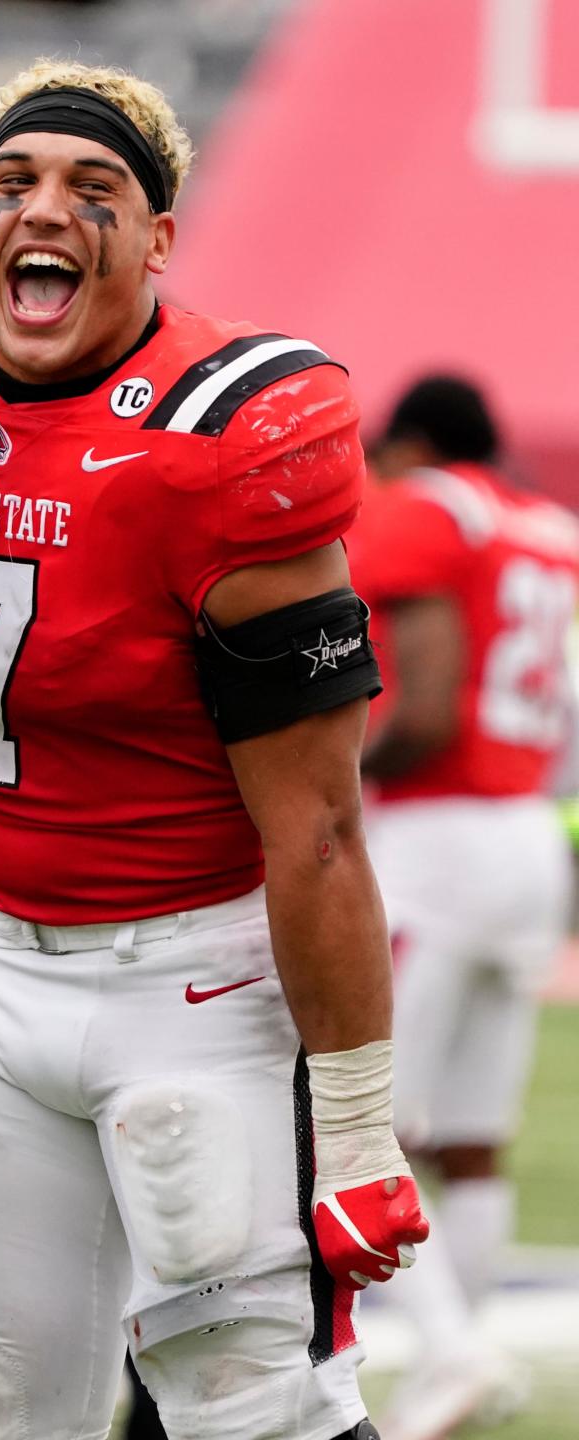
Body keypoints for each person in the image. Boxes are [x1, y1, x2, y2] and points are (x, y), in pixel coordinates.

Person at [0, 58, 429, 1440]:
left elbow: (316, 829)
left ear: (157, 240)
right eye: (17, 181)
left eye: (99, 190)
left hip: (194, 980)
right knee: (6, 1405)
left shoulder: (230, 437)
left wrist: (360, 1123)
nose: (51, 209)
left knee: (249, 1405)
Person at [348, 376, 579, 1440]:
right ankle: (465, 1354)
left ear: (412, 445)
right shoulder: (547, 525)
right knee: (475, 1133)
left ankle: (450, 1349)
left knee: (356, 1122)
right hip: (531, 832)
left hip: (437, 839)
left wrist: (336, 773)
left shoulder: (429, 506)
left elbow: (427, 710)